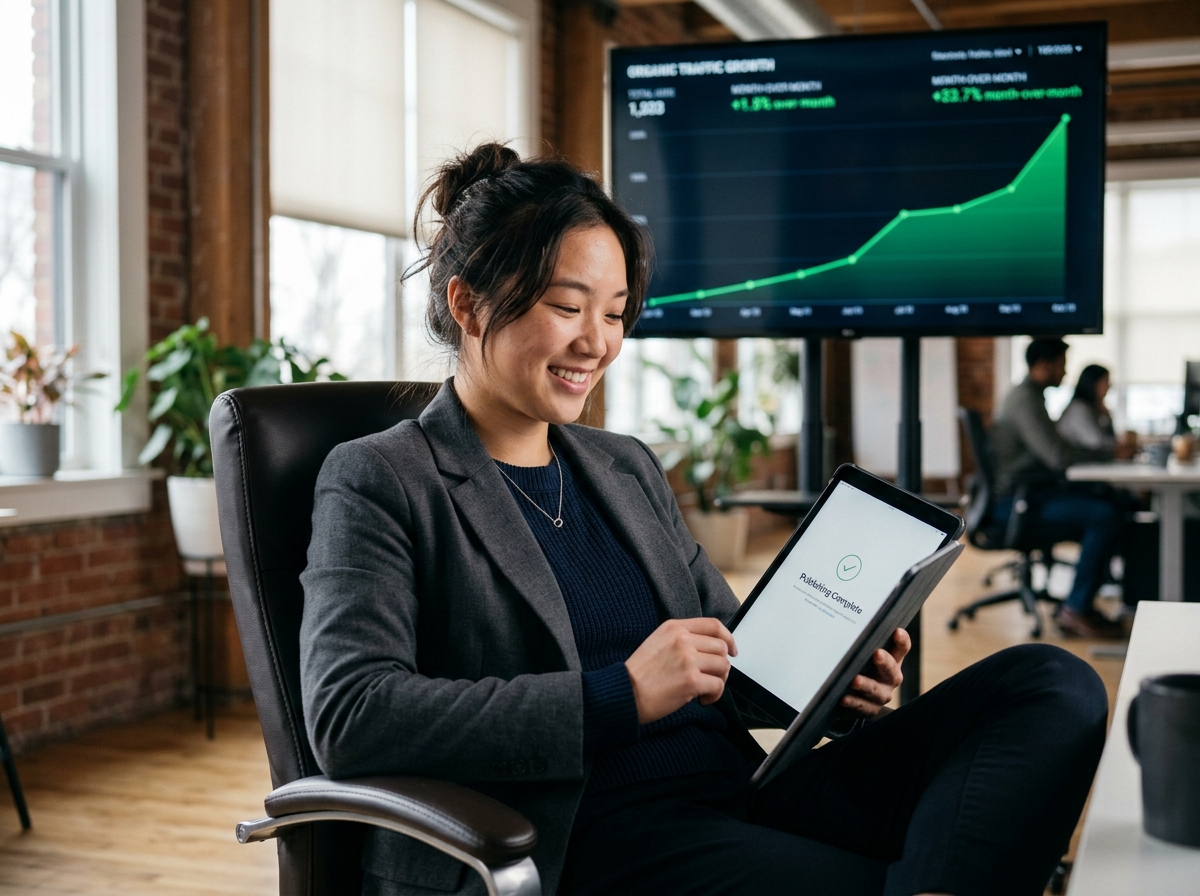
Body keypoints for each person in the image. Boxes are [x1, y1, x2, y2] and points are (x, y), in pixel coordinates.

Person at [300, 145, 1108, 896]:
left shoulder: (623, 466)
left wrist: (836, 682)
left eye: (616, 313)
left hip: (741, 790)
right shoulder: (381, 478)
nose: (598, 342)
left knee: (1049, 682)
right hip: (595, 832)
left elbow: (734, 670)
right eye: (566, 306)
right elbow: (352, 715)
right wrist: (617, 696)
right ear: (468, 305)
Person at [991, 340, 1123, 638]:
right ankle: (1075, 609)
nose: (1065, 372)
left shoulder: (1033, 397)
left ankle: (1085, 603)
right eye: (1061, 364)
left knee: (1109, 503)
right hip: (1016, 503)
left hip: (1030, 494)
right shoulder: (1025, 400)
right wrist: (1106, 455)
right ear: (1043, 364)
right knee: (1103, 515)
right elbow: (1057, 456)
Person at [1057, 364, 1117, 457]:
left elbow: (1109, 438)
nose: (1109, 387)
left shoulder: (1093, 409)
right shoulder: (1078, 409)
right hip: (1071, 466)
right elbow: (1095, 442)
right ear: (1093, 384)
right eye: (1105, 382)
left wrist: (1107, 416)